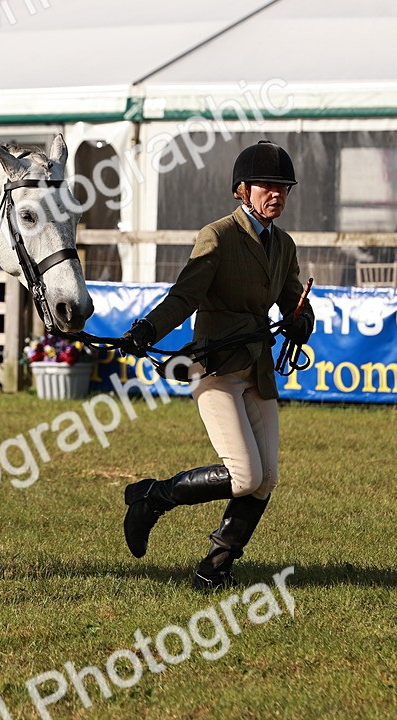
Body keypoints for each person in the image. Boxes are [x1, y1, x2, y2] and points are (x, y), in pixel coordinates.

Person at [118, 140, 314, 590]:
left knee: (265, 479)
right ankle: (152, 496)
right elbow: (185, 296)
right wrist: (147, 330)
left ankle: (214, 569)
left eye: (284, 187)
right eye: (267, 185)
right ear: (242, 190)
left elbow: (291, 301)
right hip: (216, 367)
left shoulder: (283, 243)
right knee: (244, 475)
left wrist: (303, 321)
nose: (277, 193)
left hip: (258, 368)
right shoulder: (218, 235)